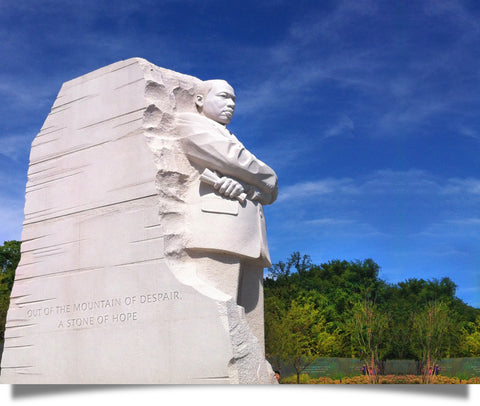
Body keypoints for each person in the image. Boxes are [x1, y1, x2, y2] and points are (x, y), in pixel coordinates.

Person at [175, 79, 278, 350]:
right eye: (223, 97)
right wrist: (267, 177)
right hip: (218, 230)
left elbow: (269, 192)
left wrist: (247, 184)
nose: (231, 104)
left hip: (249, 236)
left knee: (250, 326)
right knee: (219, 324)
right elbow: (233, 159)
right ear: (199, 100)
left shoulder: (230, 135)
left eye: (234, 100)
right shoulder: (188, 123)